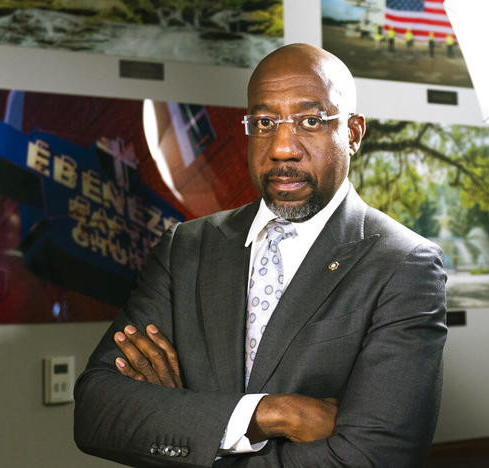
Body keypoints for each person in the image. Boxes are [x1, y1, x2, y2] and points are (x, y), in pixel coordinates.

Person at [74, 43, 447, 468]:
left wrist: (194, 425)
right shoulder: (186, 248)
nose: (283, 148)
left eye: (311, 121)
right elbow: (95, 411)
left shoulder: (403, 264)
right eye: (265, 122)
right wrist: (272, 413)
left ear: (353, 133)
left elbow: (376, 456)